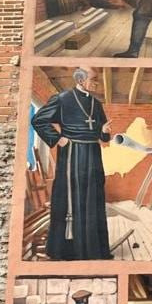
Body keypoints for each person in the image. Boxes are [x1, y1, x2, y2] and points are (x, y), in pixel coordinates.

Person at [31, 68, 112, 260]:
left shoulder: (96, 104)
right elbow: (38, 120)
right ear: (81, 80)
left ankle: (94, 250)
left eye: (97, 80)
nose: (96, 83)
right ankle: (67, 251)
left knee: (94, 198)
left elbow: (102, 136)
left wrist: (105, 130)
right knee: (72, 200)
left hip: (93, 154)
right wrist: (58, 139)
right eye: (93, 80)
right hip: (72, 154)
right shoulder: (62, 98)